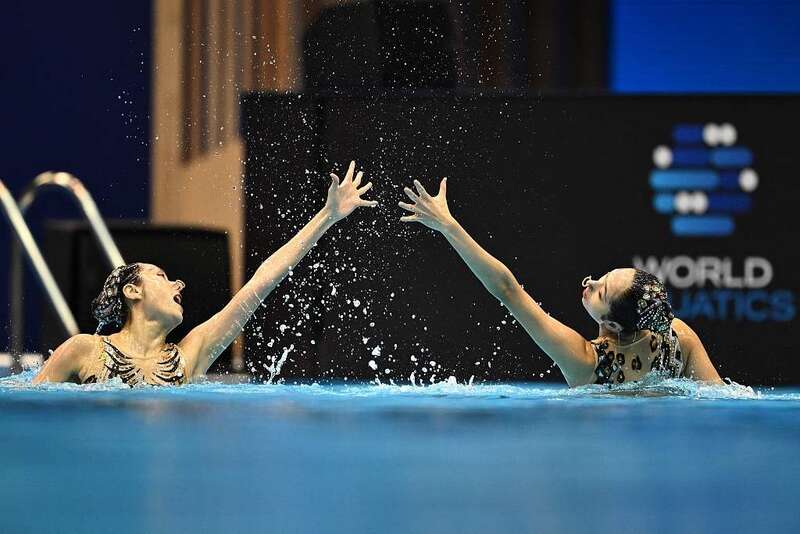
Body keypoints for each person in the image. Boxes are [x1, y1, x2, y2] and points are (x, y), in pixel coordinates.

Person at [33, 161, 377, 386]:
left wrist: (327, 216)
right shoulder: (83, 350)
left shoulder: (188, 357)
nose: (178, 283)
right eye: (161, 276)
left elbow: (260, 283)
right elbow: (29, 408)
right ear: (132, 291)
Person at [397, 178, 723, 387]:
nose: (590, 282)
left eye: (601, 291)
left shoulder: (588, 362)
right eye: (603, 276)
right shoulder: (678, 338)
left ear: (611, 322)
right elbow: (719, 396)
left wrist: (448, 226)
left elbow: (508, 291)